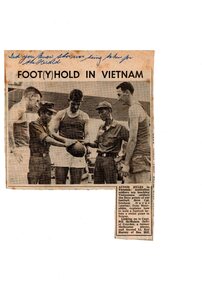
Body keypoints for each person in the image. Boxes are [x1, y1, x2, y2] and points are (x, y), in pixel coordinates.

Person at [28, 102, 76, 184]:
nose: (50, 117)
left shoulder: (46, 127)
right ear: (41, 113)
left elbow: (54, 136)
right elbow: (48, 139)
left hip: (46, 159)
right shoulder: (34, 125)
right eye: (48, 114)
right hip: (36, 159)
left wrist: (68, 140)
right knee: (33, 186)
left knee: (46, 185)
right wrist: (64, 145)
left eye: (51, 114)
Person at [49, 89, 90, 184]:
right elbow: (52, 132)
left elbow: (87, 135)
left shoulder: (84, 116)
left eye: (78, 104)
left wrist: (85, 143)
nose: (75, 107)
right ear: (69, 100)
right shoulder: (61, 114)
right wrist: (65, 140)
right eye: (73, 104)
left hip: (77, 150)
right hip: (63, 150)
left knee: (76, 184)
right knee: (60, 183)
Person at [86, 101, 129, 184]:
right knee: (97, 186)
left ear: (109, 111)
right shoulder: (101, 127)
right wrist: (87, 143)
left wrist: (123, 157)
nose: (100, 115)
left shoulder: (120, 128)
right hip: (99, 159)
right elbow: (97, 144)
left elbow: (132, 142)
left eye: (102, 112)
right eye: (99, 113)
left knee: (111, 185)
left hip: (110, 160)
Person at [116, 82, 151, 183]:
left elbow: (132, 139)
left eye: (119, 94)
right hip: (138, 158)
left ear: (127, 92)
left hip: (140, 160)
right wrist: (124, 156)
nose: (118, 98)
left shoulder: (134, 109)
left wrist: (126, 164)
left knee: (140, 192)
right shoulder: (140, 107)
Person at [8, 86, 42, 184]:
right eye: (37, 101)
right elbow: (7, 125)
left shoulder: (22, 108)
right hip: (19, 150)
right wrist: (14, 149)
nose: (37, 105)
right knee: (19, 183)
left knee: (23, 181)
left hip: (22, 149)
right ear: (31, 96)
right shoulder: (19, 107)